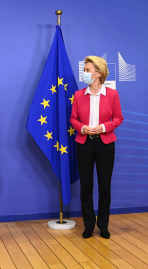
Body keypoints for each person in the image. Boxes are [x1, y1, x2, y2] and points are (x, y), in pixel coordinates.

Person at [70, 56, 123, 239]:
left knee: (104, 185)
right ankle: (89, 225)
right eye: (84, 70)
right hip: (84, 144)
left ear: (99, 73)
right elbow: (73, 119)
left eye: (87, 70)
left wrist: (104, 127)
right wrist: (83, 128)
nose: (84, 73)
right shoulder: (78, 95)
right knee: (86, 186)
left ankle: (104, 225)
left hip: (105, 144)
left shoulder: (112, 95)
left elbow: (118, 118)